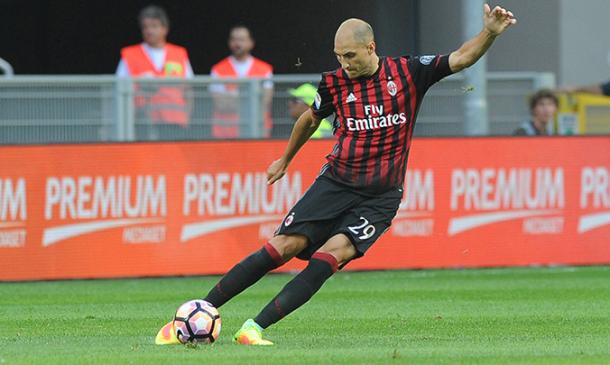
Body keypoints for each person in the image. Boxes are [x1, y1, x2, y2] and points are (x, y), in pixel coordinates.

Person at [156, 4, 516, 346]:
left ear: (370, 47)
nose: (344, 63)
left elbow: (461, 58)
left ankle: (253, 328)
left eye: (350, 56)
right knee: (283, 246)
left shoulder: (408, 72)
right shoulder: (334, 83)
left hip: (381, 197)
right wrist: (285, 160)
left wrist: (489, 33)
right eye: (338, 56)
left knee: (330, 256)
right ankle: (192, 315)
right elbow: (310, 119)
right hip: (335, 183)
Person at [116, 5, 194, 140]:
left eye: (154, 26)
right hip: (142, 122)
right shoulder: (129, 55)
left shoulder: (179, 54)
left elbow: (190, 90)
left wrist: (187, 117)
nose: (149, 31)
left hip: (174, 122)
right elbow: (118, 90)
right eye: (145, 27)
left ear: (165, 29)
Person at [210, 25, 273, 138]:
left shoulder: (265, 69)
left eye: (242, 40)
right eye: (234, 39)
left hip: (257, 132)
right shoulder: (218, 69)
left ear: (251, 42)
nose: (237, 43)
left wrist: (232, 97)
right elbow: (220, 104)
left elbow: (265, 102)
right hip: (226, 133)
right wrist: (250, 99)